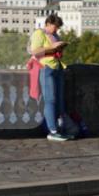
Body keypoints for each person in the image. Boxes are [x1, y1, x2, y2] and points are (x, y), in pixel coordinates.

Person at [29, 13, 72, 141]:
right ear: (48, 24)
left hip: (57, 67)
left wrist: (59, 49)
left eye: (58, 27)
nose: (56, 29)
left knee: (59, 100)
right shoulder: (39, 33)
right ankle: (52, 131)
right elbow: (35, 51)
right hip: (46, 67)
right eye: (55, 26)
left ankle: (59, 129)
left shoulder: (55, 35)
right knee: (50, 99)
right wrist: (52, 47)